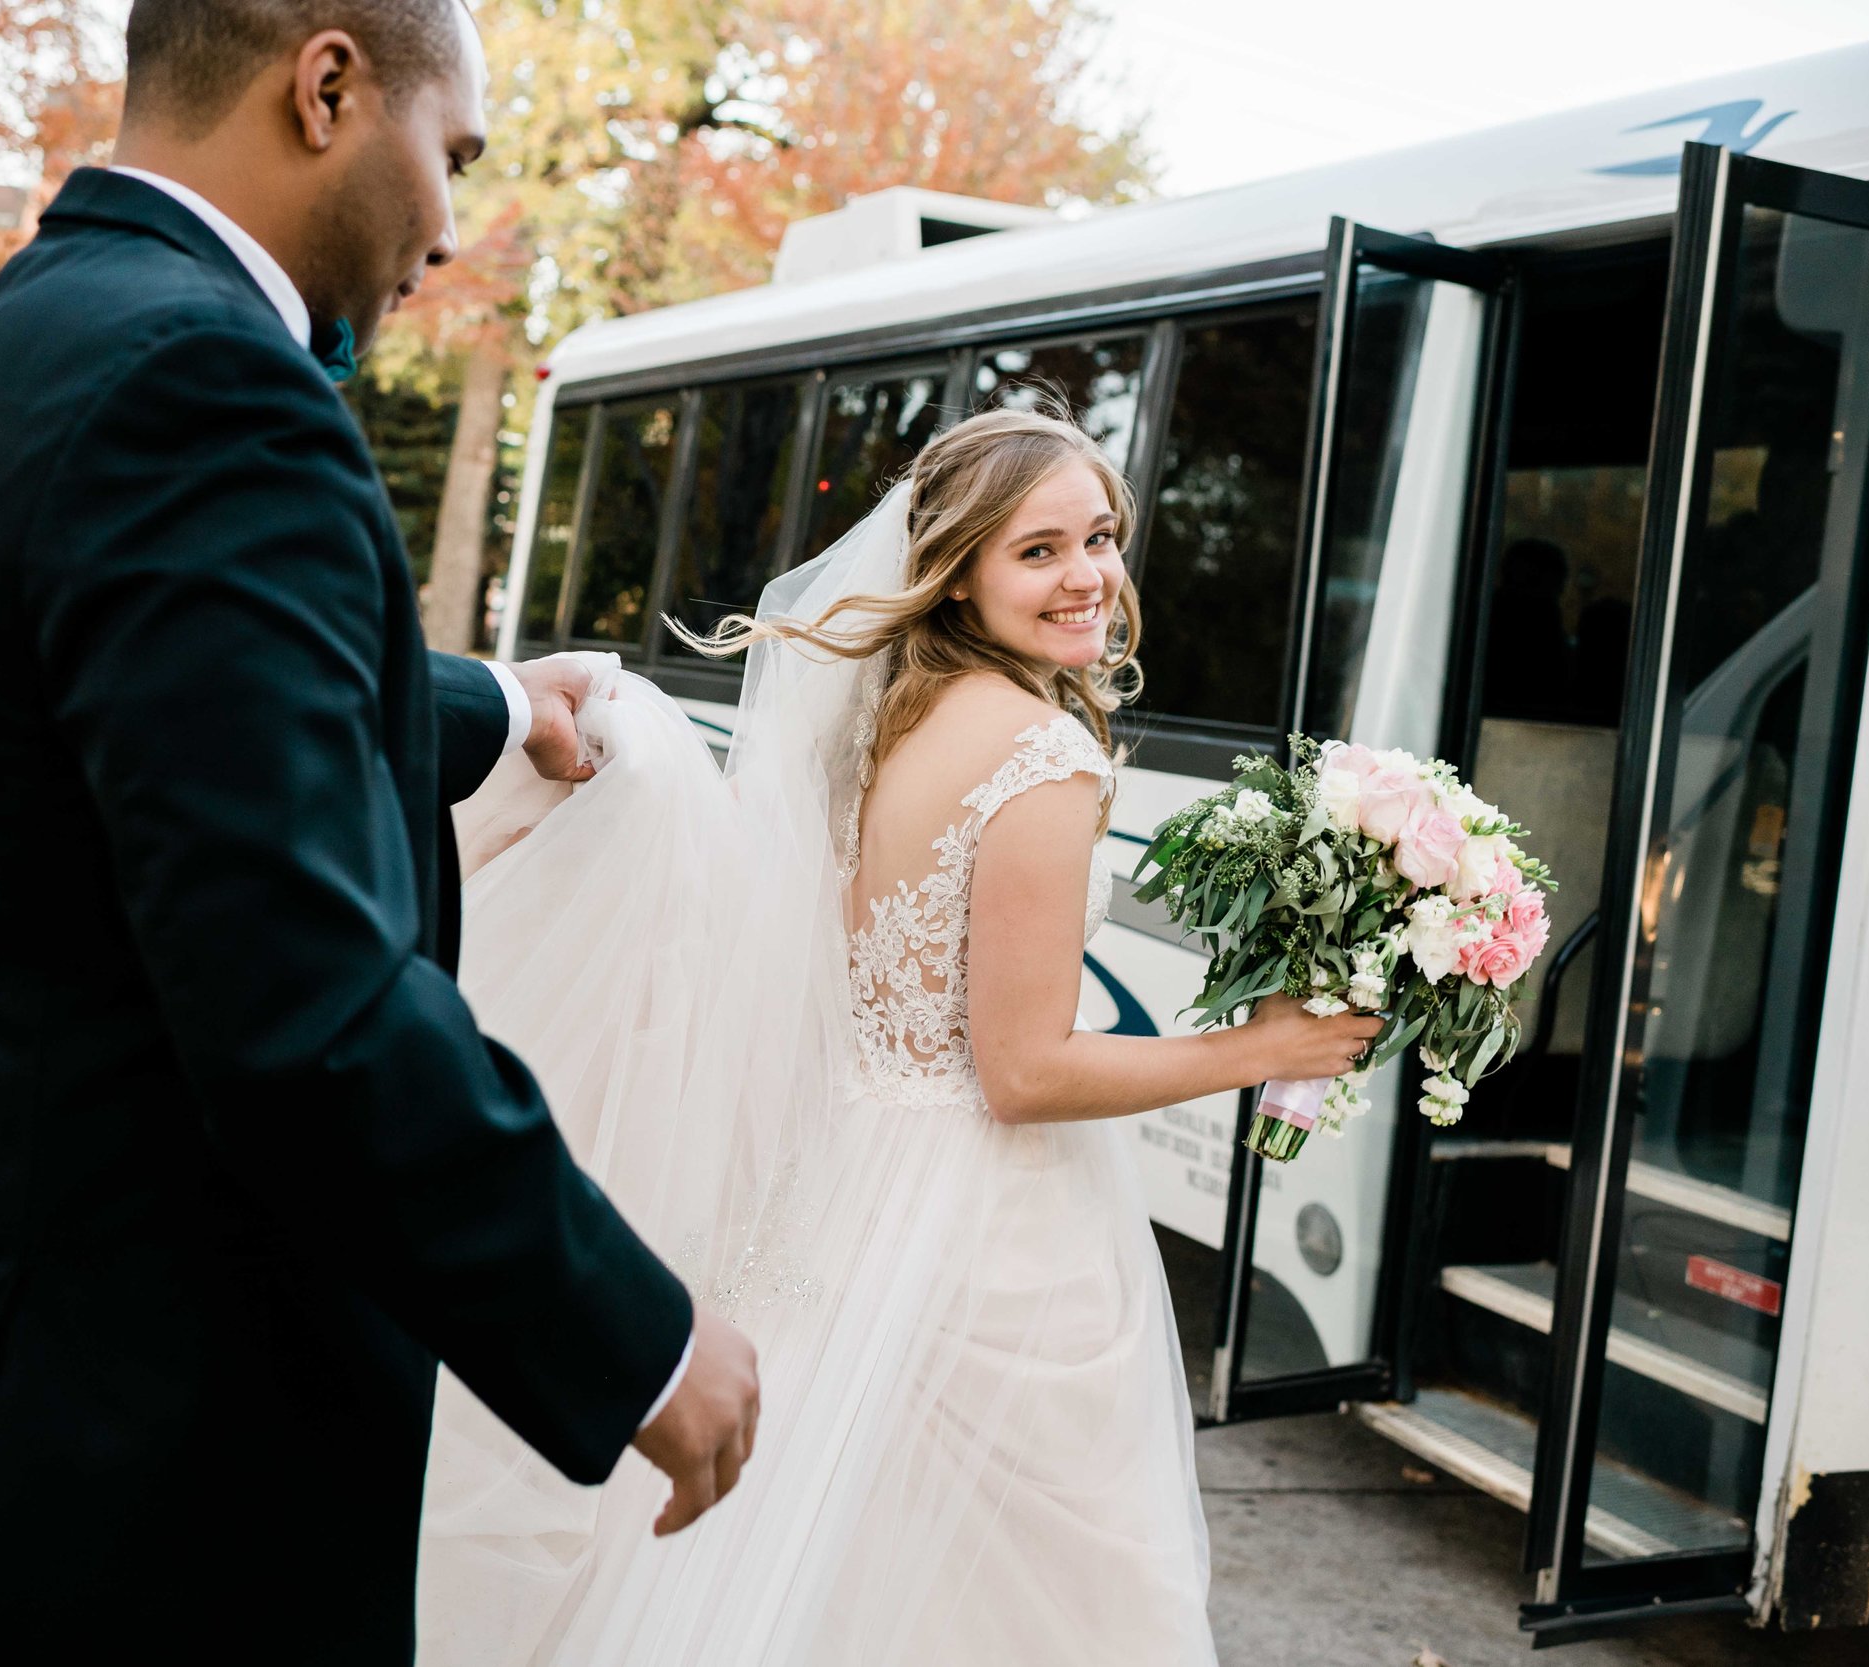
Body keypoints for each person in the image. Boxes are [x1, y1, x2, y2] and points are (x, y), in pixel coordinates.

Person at [0, 3, 760, 1663]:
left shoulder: (13, 348)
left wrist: (499, 711)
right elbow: (307, 1007)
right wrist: (639, 1342)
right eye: (450, 159)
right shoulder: (210, 388)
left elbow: (127, 710)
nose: (445, 230)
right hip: (153, 1456)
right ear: (327, 87)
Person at [419, 407, 1381, 1664]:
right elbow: (1022, 1069)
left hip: (846, 1178)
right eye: (1037, 550)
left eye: (1099, 536)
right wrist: (1263, 1049)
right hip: (990, 1227)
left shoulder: (892, 719)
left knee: (822, 1560)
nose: (1088, 573)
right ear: (960, 566)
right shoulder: (1040, 754)